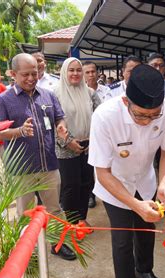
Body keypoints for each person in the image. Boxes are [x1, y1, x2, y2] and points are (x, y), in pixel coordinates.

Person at [88, 65, 165, 278]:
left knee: (146, 229)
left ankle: (144, 270)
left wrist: (163, 184)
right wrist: (134, 204)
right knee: (122, 240)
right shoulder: (104, 116)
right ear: (125, 100)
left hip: (146, 179)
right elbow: (103, 172)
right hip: (114, 184)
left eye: (154, 115)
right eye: (141, 115)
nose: (148, 121)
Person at [0, 53, 76, 261]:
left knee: (55, 208)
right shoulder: (3, 100)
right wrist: (19, 131)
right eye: (25, 75)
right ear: (13, 74)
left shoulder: (48, 95)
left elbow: (59, 117)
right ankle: (26, 254)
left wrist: (61, 127)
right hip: (21, 168)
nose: (31, 78)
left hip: (48, 163)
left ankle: (58, 244)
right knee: (25, 212)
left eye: (34, 73)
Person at [54, 57, 101, 227]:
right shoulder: (55, 94)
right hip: (66, 148)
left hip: (88, 146)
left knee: (86, 183)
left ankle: (82, 219)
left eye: (78, 70)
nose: (75, 73)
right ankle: (72, 223)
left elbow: (100, 116)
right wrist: (68, 141)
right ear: (64, 72)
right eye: (71, 70)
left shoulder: (89, 92)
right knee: (70, 186)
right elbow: (52, 124)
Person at [83, 61, 109, 208]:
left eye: (93, 71)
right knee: (88, 169)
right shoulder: (80, 92)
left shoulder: (108, 91)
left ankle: (110, 195)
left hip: (106, 135)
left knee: (107, 166)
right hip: (88, 136)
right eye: (87, 72)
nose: (91, 75)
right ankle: (90, 196)